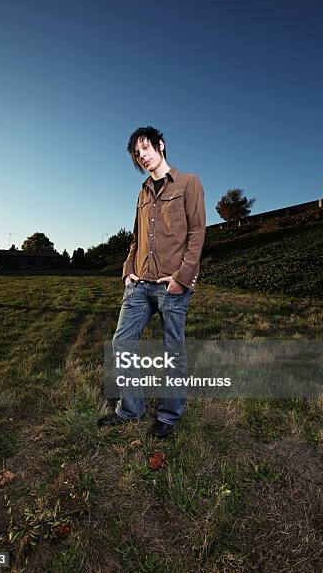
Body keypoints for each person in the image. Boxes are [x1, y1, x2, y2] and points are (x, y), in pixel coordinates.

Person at [97, 126, 206, 438]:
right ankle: (131, 409)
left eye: (144, 148)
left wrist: (182, 278)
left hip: (171, 286)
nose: (141, 156)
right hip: (138, 286)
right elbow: (136, 237)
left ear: (160, 145)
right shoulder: (143, 192)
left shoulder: (189, 183)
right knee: (121, 343)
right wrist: (127, 270)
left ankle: (169, 417)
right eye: (136, 154)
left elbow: (197, 233)